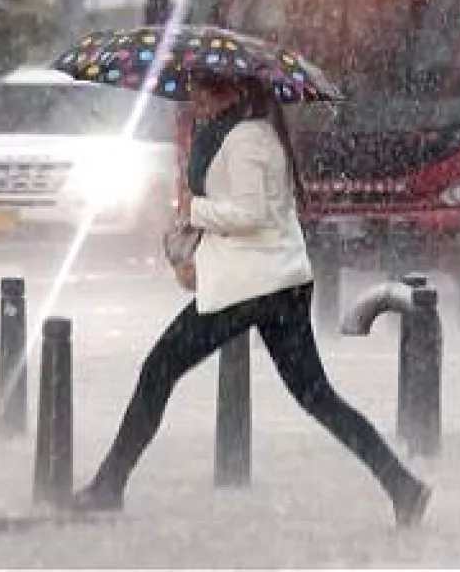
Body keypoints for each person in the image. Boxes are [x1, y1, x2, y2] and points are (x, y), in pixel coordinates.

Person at [70, 70, 432, 527]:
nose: (193, 96)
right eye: (192, 88)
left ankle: (108, 486)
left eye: (202, 87)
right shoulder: (242, 131)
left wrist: (193, 210)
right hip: (275, 281)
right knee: (316, 397)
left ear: (230, 90)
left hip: (250, 287)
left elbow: (250, 213)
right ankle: (402, 485)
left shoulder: (246, 139)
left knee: (157, 370)